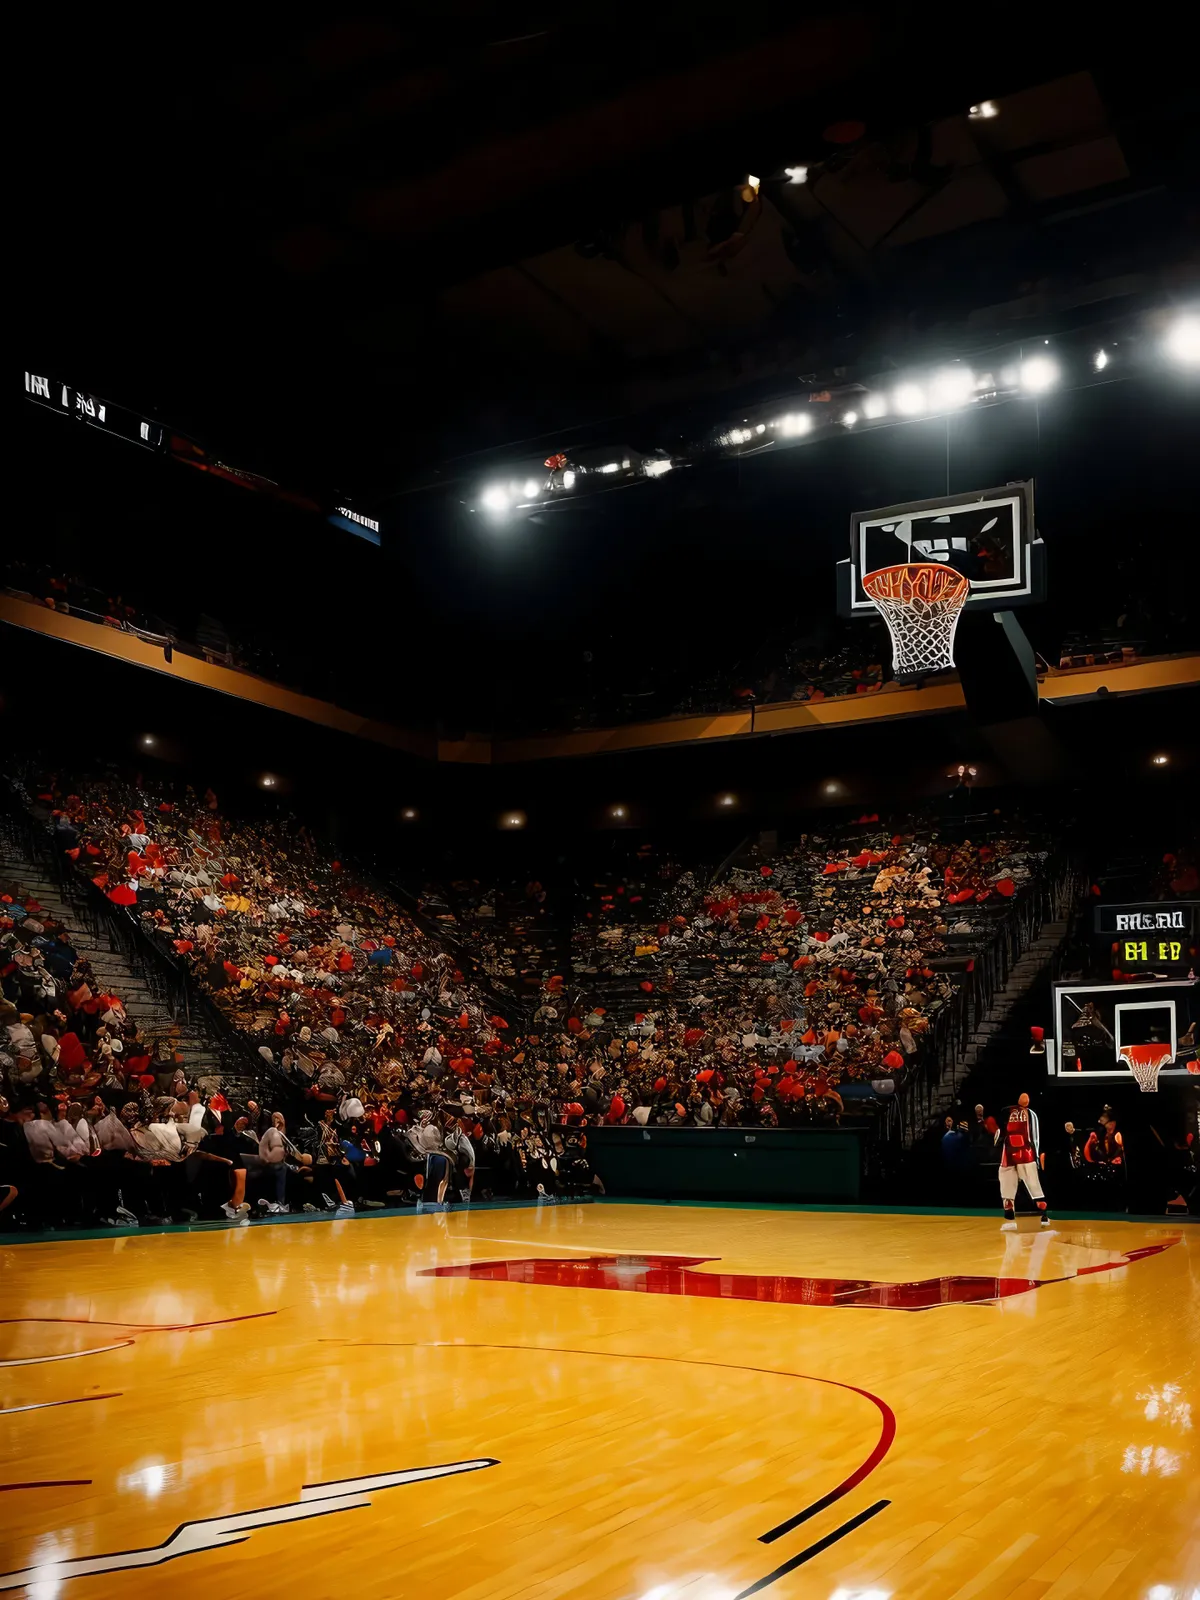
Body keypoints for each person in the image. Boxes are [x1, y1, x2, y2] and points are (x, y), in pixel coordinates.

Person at [997, 1092, 1049, 1226]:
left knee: (1007, 1176)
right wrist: (1037, 1155)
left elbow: (999, 1132)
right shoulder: (1030, 1114)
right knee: (1031, 1178)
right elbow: (1035, 1136)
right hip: (1025, 1151)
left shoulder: (1006, 1111)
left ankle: (1009, 1205)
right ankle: (1040, 1206)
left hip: (1009, 1150)